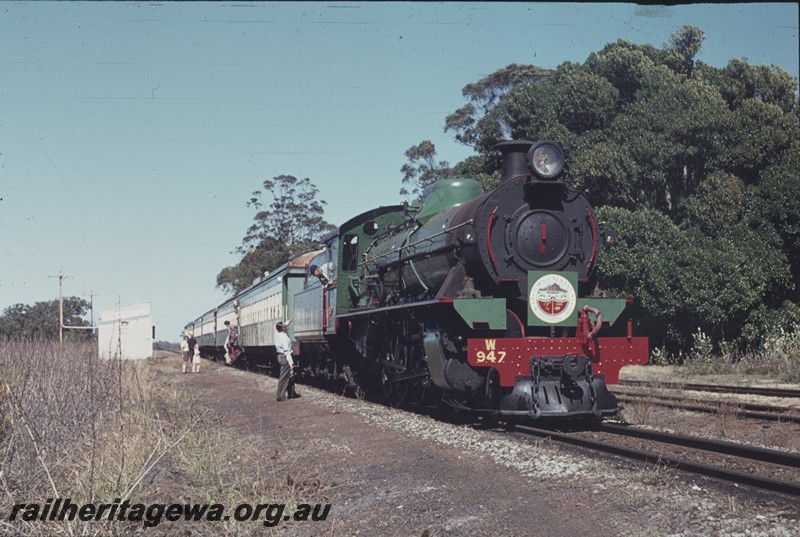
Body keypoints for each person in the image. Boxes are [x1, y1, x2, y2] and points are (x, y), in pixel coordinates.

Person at [274, 317, 299, 401]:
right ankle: (280, 395)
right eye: (285, 326)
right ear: (283, 328)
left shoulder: (277, 334)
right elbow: (287, 351)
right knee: (284, 376)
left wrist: (289, 321)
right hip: (285, 357)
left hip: (280, 356)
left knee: (289, 375)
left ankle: (291, 393)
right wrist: (291, 363)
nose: (286, 326)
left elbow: (282, 325)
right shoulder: (284, 338)